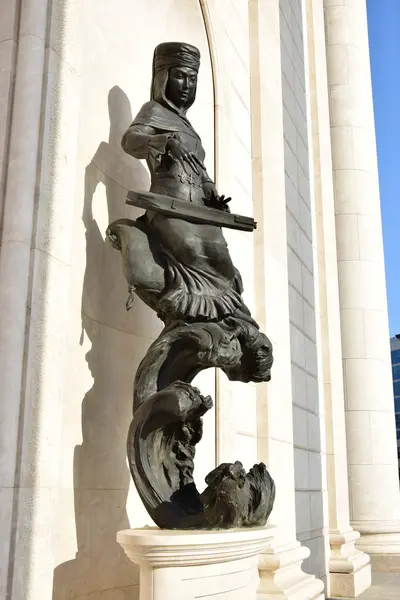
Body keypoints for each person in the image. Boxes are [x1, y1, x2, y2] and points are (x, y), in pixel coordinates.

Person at [120, 41, 249, 322]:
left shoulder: (190, 127)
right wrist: (164, 141)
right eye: (180, 76)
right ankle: (190, 313)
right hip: (168, 207)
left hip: (199, 210)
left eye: (192, 79)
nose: (187, 84)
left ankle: (221, 321)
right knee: (191, 248)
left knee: (222, 261)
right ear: (163, 77)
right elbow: (129, 141)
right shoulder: (153, 110)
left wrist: (212, 193)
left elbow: (201, 172)